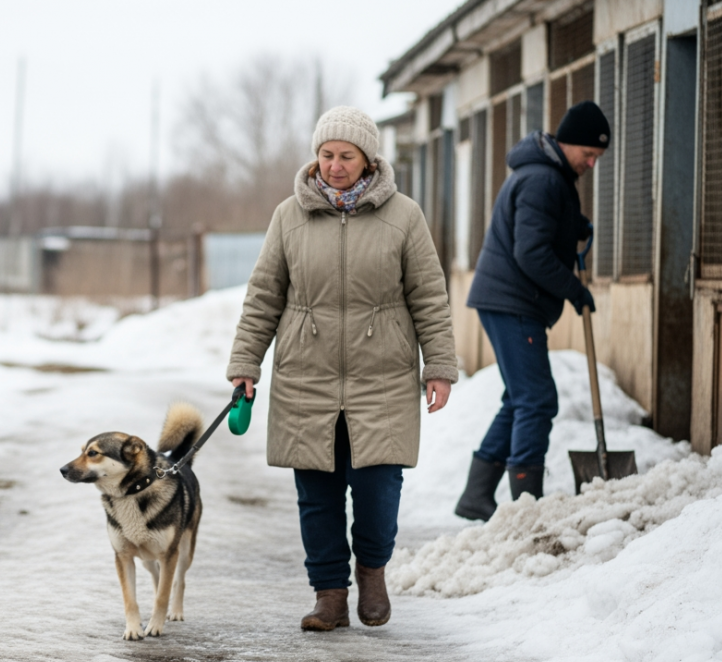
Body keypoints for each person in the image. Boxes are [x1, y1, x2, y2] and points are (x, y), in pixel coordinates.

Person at [226, 106, 458, 632]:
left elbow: (429, 295)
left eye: (345, 156)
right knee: (318, 495)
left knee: (379, 489)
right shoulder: (290, 215)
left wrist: (438, 366)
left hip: (384, 375)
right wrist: (246, 363)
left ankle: (371, 569)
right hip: (306, 375)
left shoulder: (404, 216)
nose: (334, 165)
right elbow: (264, 295)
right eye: (326, 155)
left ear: (368, 158)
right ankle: (329, 594)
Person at [454, 101, 610, 522]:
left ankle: (477, 494)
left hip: (509, 300)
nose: (592, 164)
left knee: (520, 399)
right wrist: (574, 290)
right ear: (569, 143)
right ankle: (526, 505)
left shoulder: (549, 175)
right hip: (513, 302)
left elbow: (542, 228)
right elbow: (532, 252)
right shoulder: (544, 180)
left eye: (598, 158)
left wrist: (573, 226)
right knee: (537, 401)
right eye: (589, 154)